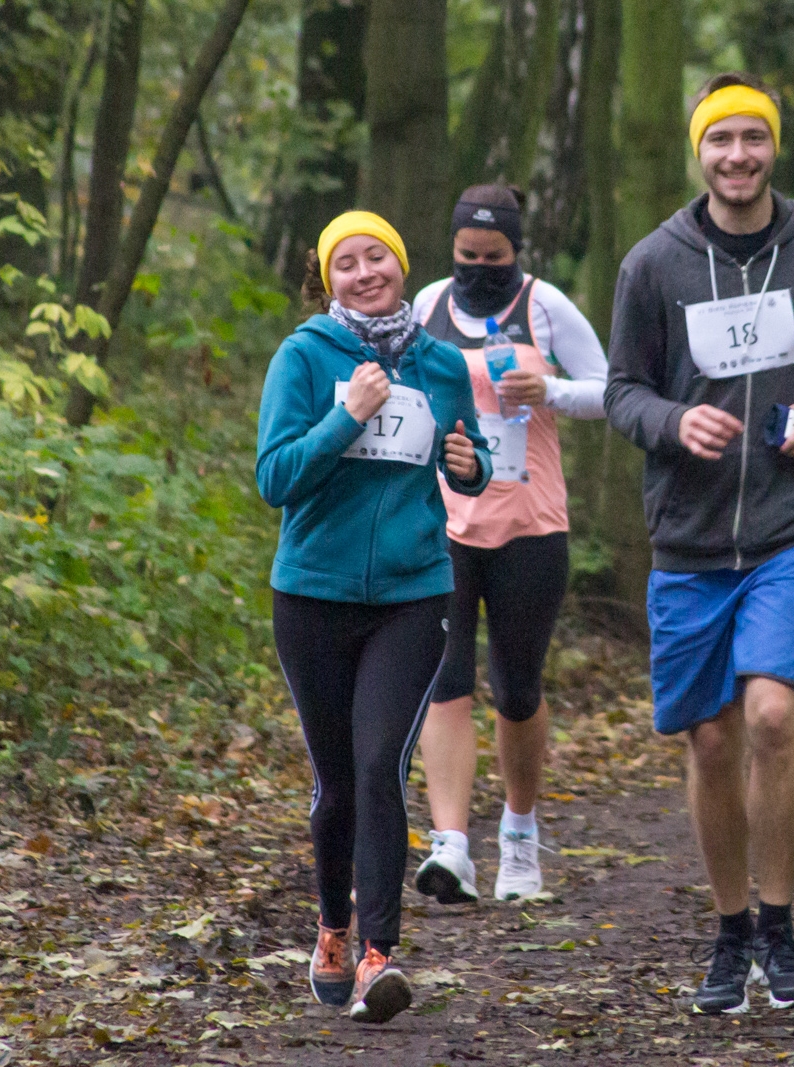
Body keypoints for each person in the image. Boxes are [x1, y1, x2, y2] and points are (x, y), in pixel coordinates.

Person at [605, 73, 794, 1015]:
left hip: (792, 529)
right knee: (708, 737)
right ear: (698, 151)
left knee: (772, 714)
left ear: (775, 146)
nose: (738, 155)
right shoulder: (653, 263)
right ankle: (731, 930)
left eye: (754, 138)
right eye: (721, 140)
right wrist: (672, 421)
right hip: (689, 538)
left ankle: (780, 923)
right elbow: (620, 389)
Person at [256, 211, 492, 1023]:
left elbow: (467, 462)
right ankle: (332, 925)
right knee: (337, 785)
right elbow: (276, 477)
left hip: (412, 593)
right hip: (313, 596)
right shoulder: (303, 356)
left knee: (381, 763)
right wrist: (346, 415)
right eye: (347, 263)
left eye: (377, 257)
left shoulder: (443, 364)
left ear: (401, 264)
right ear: (328, 279)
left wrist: (472, 464)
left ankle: (378, 956)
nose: (364, 273)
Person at [408, 184, 609, 903]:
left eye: (494, 257)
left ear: (517, 251)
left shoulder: (544, 306)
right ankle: (452, 844)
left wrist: (549, 389)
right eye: (467, 254)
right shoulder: (427, 305)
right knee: (444, 679)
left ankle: (519, 834)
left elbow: (611, 389)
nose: (479, 268)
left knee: (518, 690)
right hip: (441, 525)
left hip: (530, 525)